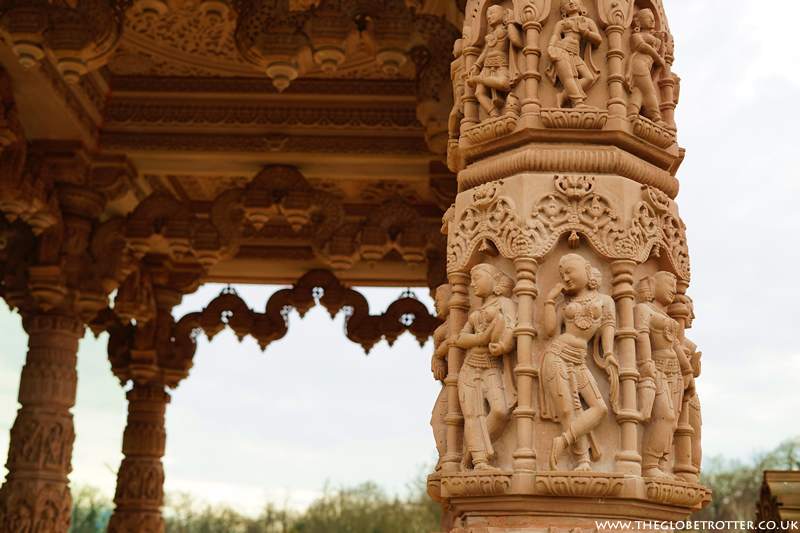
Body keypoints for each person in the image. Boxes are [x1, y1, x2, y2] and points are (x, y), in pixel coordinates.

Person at [541, 253, 618, 471]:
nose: (565, 278)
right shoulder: (565, 304)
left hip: (579, 360)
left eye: (569, 272)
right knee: (568, 411)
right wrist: (549, 300)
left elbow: (608, 327)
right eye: (562, 274)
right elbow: (549, 331)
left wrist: (609, 353)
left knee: (599, 408)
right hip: (557, 355)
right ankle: (582, 461)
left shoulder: (605, 302)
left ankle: (562, 441)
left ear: (586, 268)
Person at [455, 264, 517, 471]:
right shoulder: (477, 311)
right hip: (470, 366)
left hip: (492, 365)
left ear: (493, 280)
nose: (472, 283)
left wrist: (502, 345)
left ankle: (469, 454)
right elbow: (460, 338)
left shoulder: (506, 303)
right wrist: (480, 338)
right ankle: (480, 462)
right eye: (471, 279)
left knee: (500, 410)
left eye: (477, 278)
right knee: (472, 414)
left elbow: (511, 329)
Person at [634, 271, 695, 479]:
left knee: (672, 421)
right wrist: (644, 363)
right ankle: (649, 465)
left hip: (674, 373)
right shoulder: (642, 309)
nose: (671, 288)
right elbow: (641, 336)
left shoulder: (666, 315)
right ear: (652, 284)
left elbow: (676, 345)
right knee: (664, 415)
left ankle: (660, 465)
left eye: (673, 284)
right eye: (667, 283)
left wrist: (687, 370)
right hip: (656, 369)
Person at [466, 5, 524, 118]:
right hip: (487, 66)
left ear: (503, 14)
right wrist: (476, 65)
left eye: (492, 13)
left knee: (503, 83)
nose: (489, 17)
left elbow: (517, 42)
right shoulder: (490, 36)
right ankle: (494, 114)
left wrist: (510, 21)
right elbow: (485, 52)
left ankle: (480, 80)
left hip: (501, 64)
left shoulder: (506, 30)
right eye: (487, 15)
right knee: (479, 93)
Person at [545, 0, 602, 108]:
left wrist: (585, 32)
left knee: (589, 78)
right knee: (568, 77)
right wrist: (551, 46)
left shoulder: (587, 21)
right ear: (562, 10)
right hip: (561, 50)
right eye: (566, 1)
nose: (571, 2)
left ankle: (563, 96)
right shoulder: (561, 23)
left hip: (574, 54)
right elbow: (556, 35)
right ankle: (578, 103)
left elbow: (598, 39)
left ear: (581, 5)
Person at [624, 9, 667, 125]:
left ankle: (632, 112)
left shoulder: (656, 40)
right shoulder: (636, 36)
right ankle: (656, 118)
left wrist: (662, 48)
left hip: (646, 67)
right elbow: (642, 46)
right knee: (649, 91)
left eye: (653, 18)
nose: (653, 20)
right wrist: (657, 57)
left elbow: (661, 56)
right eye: (648, 17)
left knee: (639, 90)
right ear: (638, 22)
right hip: (638, 64)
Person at [430, 284, 452, 471]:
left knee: (440, 419)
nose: (436, 303)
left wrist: (438, 354)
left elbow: (455, 339)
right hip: (450, 380)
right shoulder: (446, 324)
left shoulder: (458, 319)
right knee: (439, 419)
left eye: (440, 298)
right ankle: (447, 457)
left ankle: (449, 458)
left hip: (461, 379)